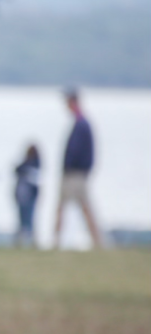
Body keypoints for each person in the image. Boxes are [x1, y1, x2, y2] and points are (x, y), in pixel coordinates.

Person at [54, 88, 103, 250]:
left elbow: (81, 152)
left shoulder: (82, 125)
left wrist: (76, 168)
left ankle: (58, 240)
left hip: (75, 174)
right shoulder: (80, 123)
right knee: (78, 207)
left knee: (74, 207)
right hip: (75, 173)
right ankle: (95, 241)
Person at [14, 145, 40, 248]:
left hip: (27, 196)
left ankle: (29, 241)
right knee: (25, 219)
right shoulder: (32, 165)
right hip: (24, 195)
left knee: (27, 219)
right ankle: (24, 241)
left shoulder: (34, 164)